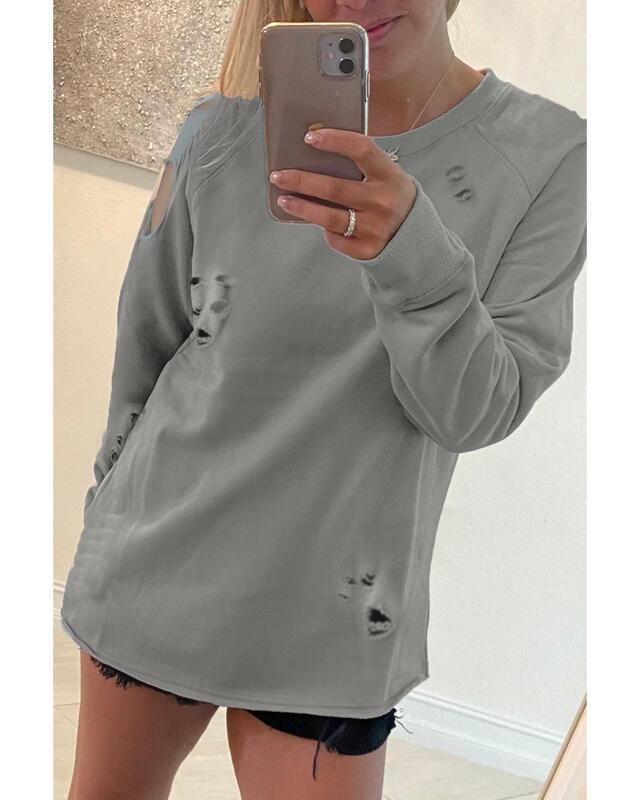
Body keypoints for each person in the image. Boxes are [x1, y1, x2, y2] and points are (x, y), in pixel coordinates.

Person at [61, 1, 587, 798]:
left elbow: (475, 410)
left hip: (337, 611)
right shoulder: (216, 132)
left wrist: (413, 249)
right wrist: (105, 514)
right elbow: (148, 344)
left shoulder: (550, 155)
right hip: (154, 563)